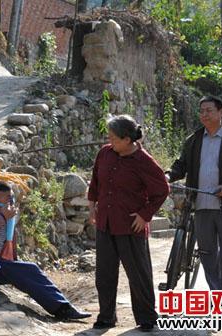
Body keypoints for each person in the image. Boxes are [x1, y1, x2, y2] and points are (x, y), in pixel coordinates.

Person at [0, 181, 91, 321]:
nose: (11, 202)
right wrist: (2, 217)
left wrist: (15, 268)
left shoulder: (10, 217)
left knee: (30, 269)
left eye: (12, 198)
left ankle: (62, 309)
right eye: (7, 200)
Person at [88, 115, 169, 331]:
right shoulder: (105, 153)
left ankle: (146, 317)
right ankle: (106, 316)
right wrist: (91, 206)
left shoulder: (144, 161)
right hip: (105, 222)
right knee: (104, 274)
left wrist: (145, 215)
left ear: (127, 139)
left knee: (138, 273)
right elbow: (95, 180)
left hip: (130, 225)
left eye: (114, 138)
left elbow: (161, 190)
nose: (109, 141)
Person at [166, 96, 222, 290]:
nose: (204, 114)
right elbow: (181, 165)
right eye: (202, 111)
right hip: (202, 206)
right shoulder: (194, 140)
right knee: (207, 254)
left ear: (221, 112)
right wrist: (168, 175)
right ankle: (217, 292)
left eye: (209, 110)